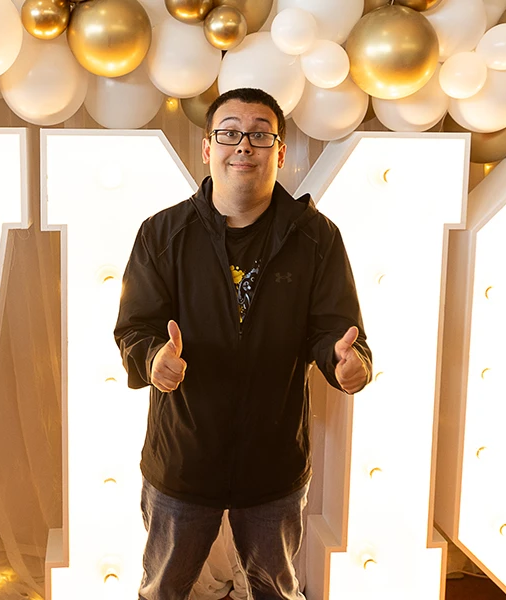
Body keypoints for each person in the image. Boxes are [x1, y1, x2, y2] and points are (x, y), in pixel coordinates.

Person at [114, 87, 372, 600]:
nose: (244, 145)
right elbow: (135, 327)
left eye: (260, 134)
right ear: (207, 148)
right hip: (183, 458)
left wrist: (348, 363)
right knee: (163, 590)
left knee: (276, 591)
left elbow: (337, 331)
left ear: (280, 152)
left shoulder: (316, 237)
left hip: (273, 462)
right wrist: (153, 359)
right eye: (229, 133)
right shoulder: (162, 233)